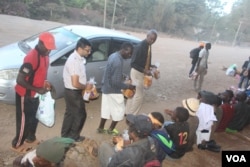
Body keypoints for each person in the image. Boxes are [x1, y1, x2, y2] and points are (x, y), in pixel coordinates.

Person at [12, 32, 56, 151]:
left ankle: (30, 137)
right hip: (24, 94)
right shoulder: (31, 57)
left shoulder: (46, 56)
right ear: (40, 44)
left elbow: (40, 73)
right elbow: (20, 80)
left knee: (34, 116)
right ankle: (17, 144)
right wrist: (37, 89)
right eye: (47, 48)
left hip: (35, 93)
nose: (49, 52)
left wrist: (45, 82)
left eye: (50, 49)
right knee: (23, 120)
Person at [97, 42, 135, 135]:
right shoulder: (118, 61)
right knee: (119, 110)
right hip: (113, 90)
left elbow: (113, 73)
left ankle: (101, 128)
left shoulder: (113, 55)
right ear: (123, 50)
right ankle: (111, 129)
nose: (129, 56)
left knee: (106, 109)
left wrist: (124, 76)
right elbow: (116, 82)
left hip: (106, 88)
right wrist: (128, 86)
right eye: (129, 53)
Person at [61, 38, 92, 142]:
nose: (89, 52)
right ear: (80, 48)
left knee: (70, 113)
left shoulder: (78, 59)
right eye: (87, 50)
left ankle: (65, 136)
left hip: (70, 91)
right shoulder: (74, 61)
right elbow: (75, 83)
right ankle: (73, 137)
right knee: (80, 114)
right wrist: (85, 87)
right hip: (73, 92)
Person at [125, 29, 158, 115]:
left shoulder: (148, 45)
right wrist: (144, 70)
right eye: (151, 38)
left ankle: (127, 112)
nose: (152, 41)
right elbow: (133, 63)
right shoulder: (140, 46)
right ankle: (132, 115)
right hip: (136, 72)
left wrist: (151, 66)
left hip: (141, 72)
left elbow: (145, 60)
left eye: (154, 40)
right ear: (147, 36)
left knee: (133, 93)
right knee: (139, 96)